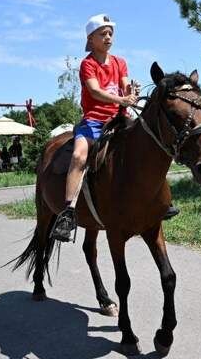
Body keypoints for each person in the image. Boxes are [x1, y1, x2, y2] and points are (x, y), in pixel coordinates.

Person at [50, 14, 139, 242]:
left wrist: (131, 92)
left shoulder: (120, 62)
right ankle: (68, 213)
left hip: (119, 120)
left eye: (110, 33)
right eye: (103, 33)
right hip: (93, 122)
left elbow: (125, 85)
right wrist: (122, 100)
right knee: (79, 156)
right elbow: (95, 91)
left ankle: (158, 201)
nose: (108, 37)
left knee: (146, 146)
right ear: (91, 40)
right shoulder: (87, 64)